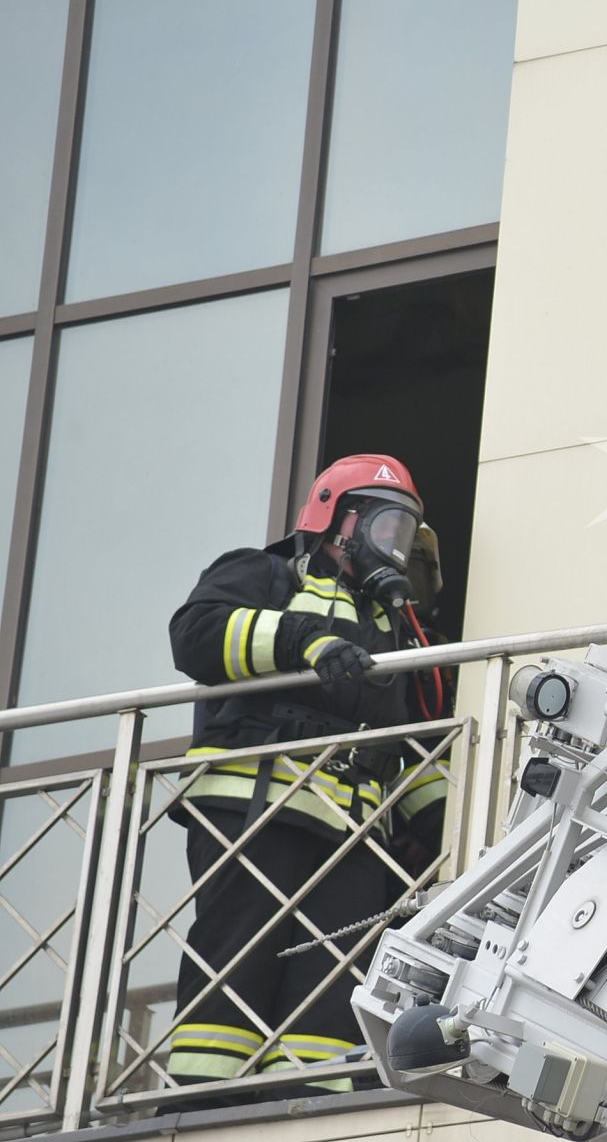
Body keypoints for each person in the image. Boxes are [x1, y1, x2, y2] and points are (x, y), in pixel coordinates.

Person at [164, 454, 449, 1094]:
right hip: (256, 807)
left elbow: (407, 745)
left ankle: (306, 1107)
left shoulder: (391, 631)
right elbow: (197, 633)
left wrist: (442, 828)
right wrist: (305, 643)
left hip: (353, 832)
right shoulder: (264, 573)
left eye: (406, 534)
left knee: (333, 984)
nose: (394, 548)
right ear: (337, 521)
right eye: (385, 528)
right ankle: (198, 1105)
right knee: (237, 967)